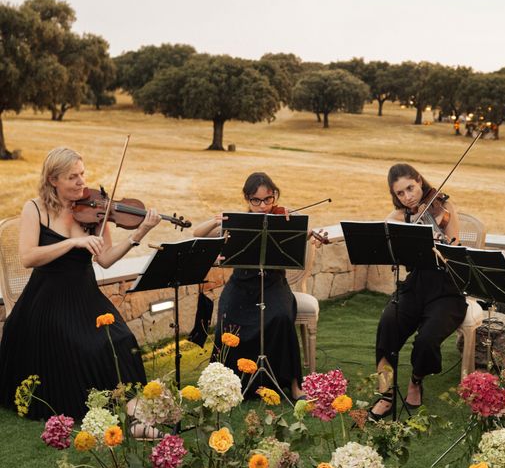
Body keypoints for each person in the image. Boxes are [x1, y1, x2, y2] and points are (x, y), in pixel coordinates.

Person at [0, 147, 161, 421]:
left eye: (82, 174)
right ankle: (106, 408)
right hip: (47, 299)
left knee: (121, 338)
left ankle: (130, 408)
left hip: (86, 294)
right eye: (72, 177)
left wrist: (139, 232)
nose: (81, 182)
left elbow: (107, 259)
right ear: (53, 180)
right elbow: (28, 257)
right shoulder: (35, 208)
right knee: (84, 345)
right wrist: (73, 241)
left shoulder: (95, 210)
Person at [193, 172, 303, 400]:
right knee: (227, 314)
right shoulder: (237, 223)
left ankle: (294, 385)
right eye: (256, 200)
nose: (263, 206)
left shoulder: (282, 218)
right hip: (241, 284)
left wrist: (302, 227)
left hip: (273, 283)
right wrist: (217, 220)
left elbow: (300, 237)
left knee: (282, 317)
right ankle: (228, 382)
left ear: (274, 196)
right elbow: (197, 233)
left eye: (268, 199)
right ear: (247, 198)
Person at [370, 163, 467, 420]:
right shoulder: (399, 216)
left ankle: (416, 378)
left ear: (419, 181)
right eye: (400, 193)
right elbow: (387, 241)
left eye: (411, 188)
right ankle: (385, 392)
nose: (408, 197)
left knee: (426, 340)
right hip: (415, 285)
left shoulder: (443, 207)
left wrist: (442, 243)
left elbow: (454, 246)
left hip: (446, 288)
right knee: (387, 324)